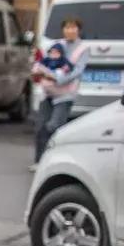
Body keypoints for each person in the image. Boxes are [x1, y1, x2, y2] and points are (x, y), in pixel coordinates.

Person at [32, 16, 89, 168]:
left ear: (78, 30)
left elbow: (77, 71)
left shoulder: (82, 48)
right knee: (40, 126)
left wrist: (58, 78)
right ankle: (39, 161)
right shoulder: (56, 45)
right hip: (48, 92)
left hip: (65, 94)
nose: (70, 31)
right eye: (67, 27)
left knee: (54, 125)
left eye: (73, 27)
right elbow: (43, 63)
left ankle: (55, 159)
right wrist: (39, 72)